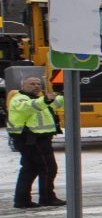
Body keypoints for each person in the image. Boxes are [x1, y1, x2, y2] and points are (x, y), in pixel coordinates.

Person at [10, 71, 64, 210]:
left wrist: (63, 93)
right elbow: (29, 106)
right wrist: (45, 100)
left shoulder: (38, 99)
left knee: (30, 169)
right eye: (32, 84)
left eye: (38, 84)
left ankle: (22, 200)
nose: (36, 86)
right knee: (48, 168)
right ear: (23, 86)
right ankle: (47, 198)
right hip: (33, 140)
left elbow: (54, 103)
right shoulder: (20, 99)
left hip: (35, 139)